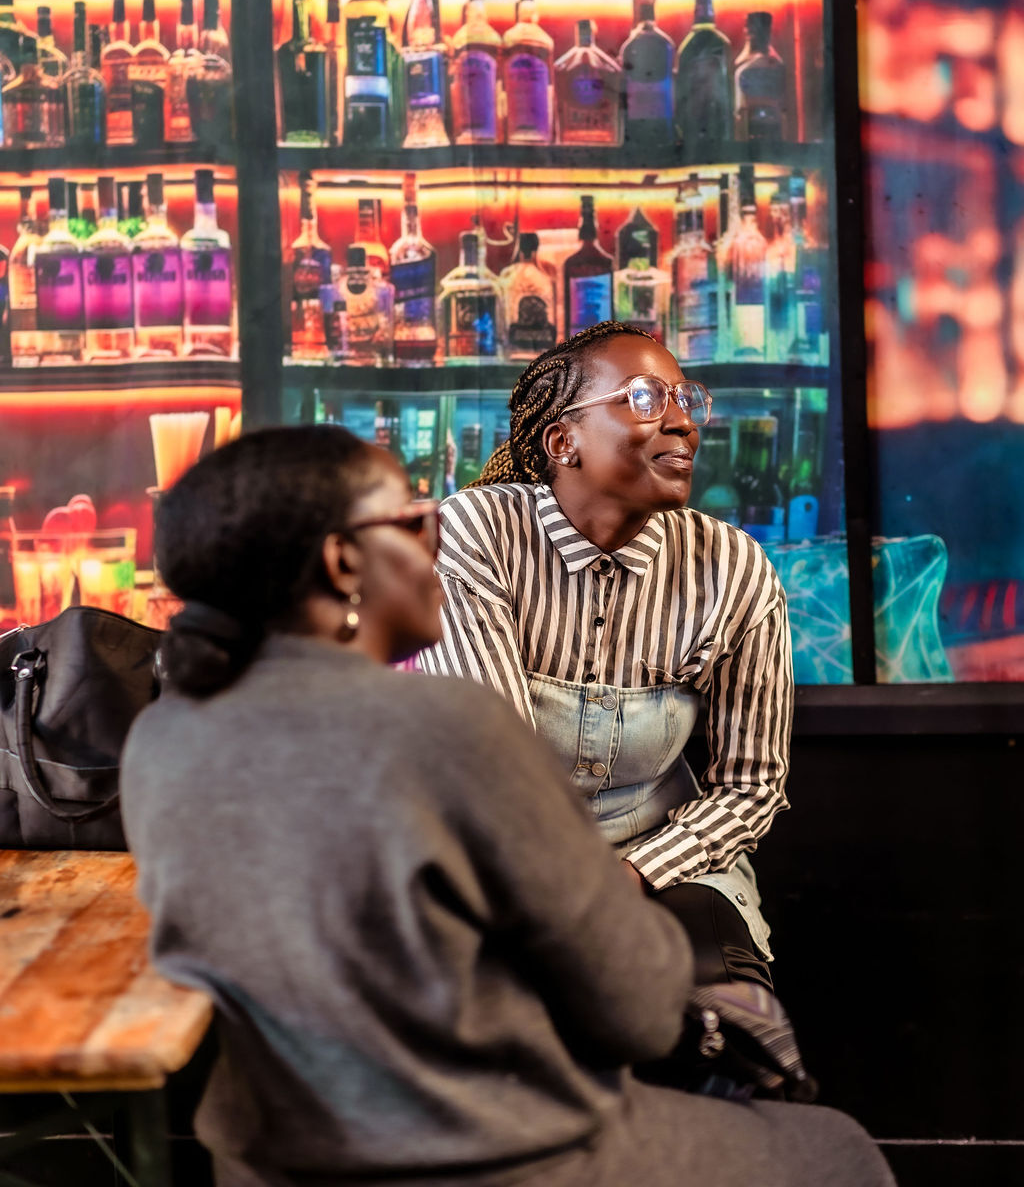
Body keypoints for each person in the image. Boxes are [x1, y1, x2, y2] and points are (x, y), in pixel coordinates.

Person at [122, 424, 893, 1187]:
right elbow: (636, 1009)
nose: (440, 546)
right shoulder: (450, 725)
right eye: (415, 522)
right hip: (486, 1159)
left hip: (270, 1162)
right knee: (836, 1151)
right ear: (343, 561)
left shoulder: (164, 739)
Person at [417, 321, 793, 1048]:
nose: (682, 421)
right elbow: (493, 773)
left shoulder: (733, 569)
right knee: (521, 1038)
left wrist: (635, 874)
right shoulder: (478, 534)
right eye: (646, 398)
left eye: (685, 399)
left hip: (664, 863)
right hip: (495, 861)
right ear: (564, 441)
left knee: (726, 1036)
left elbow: (751, 785)